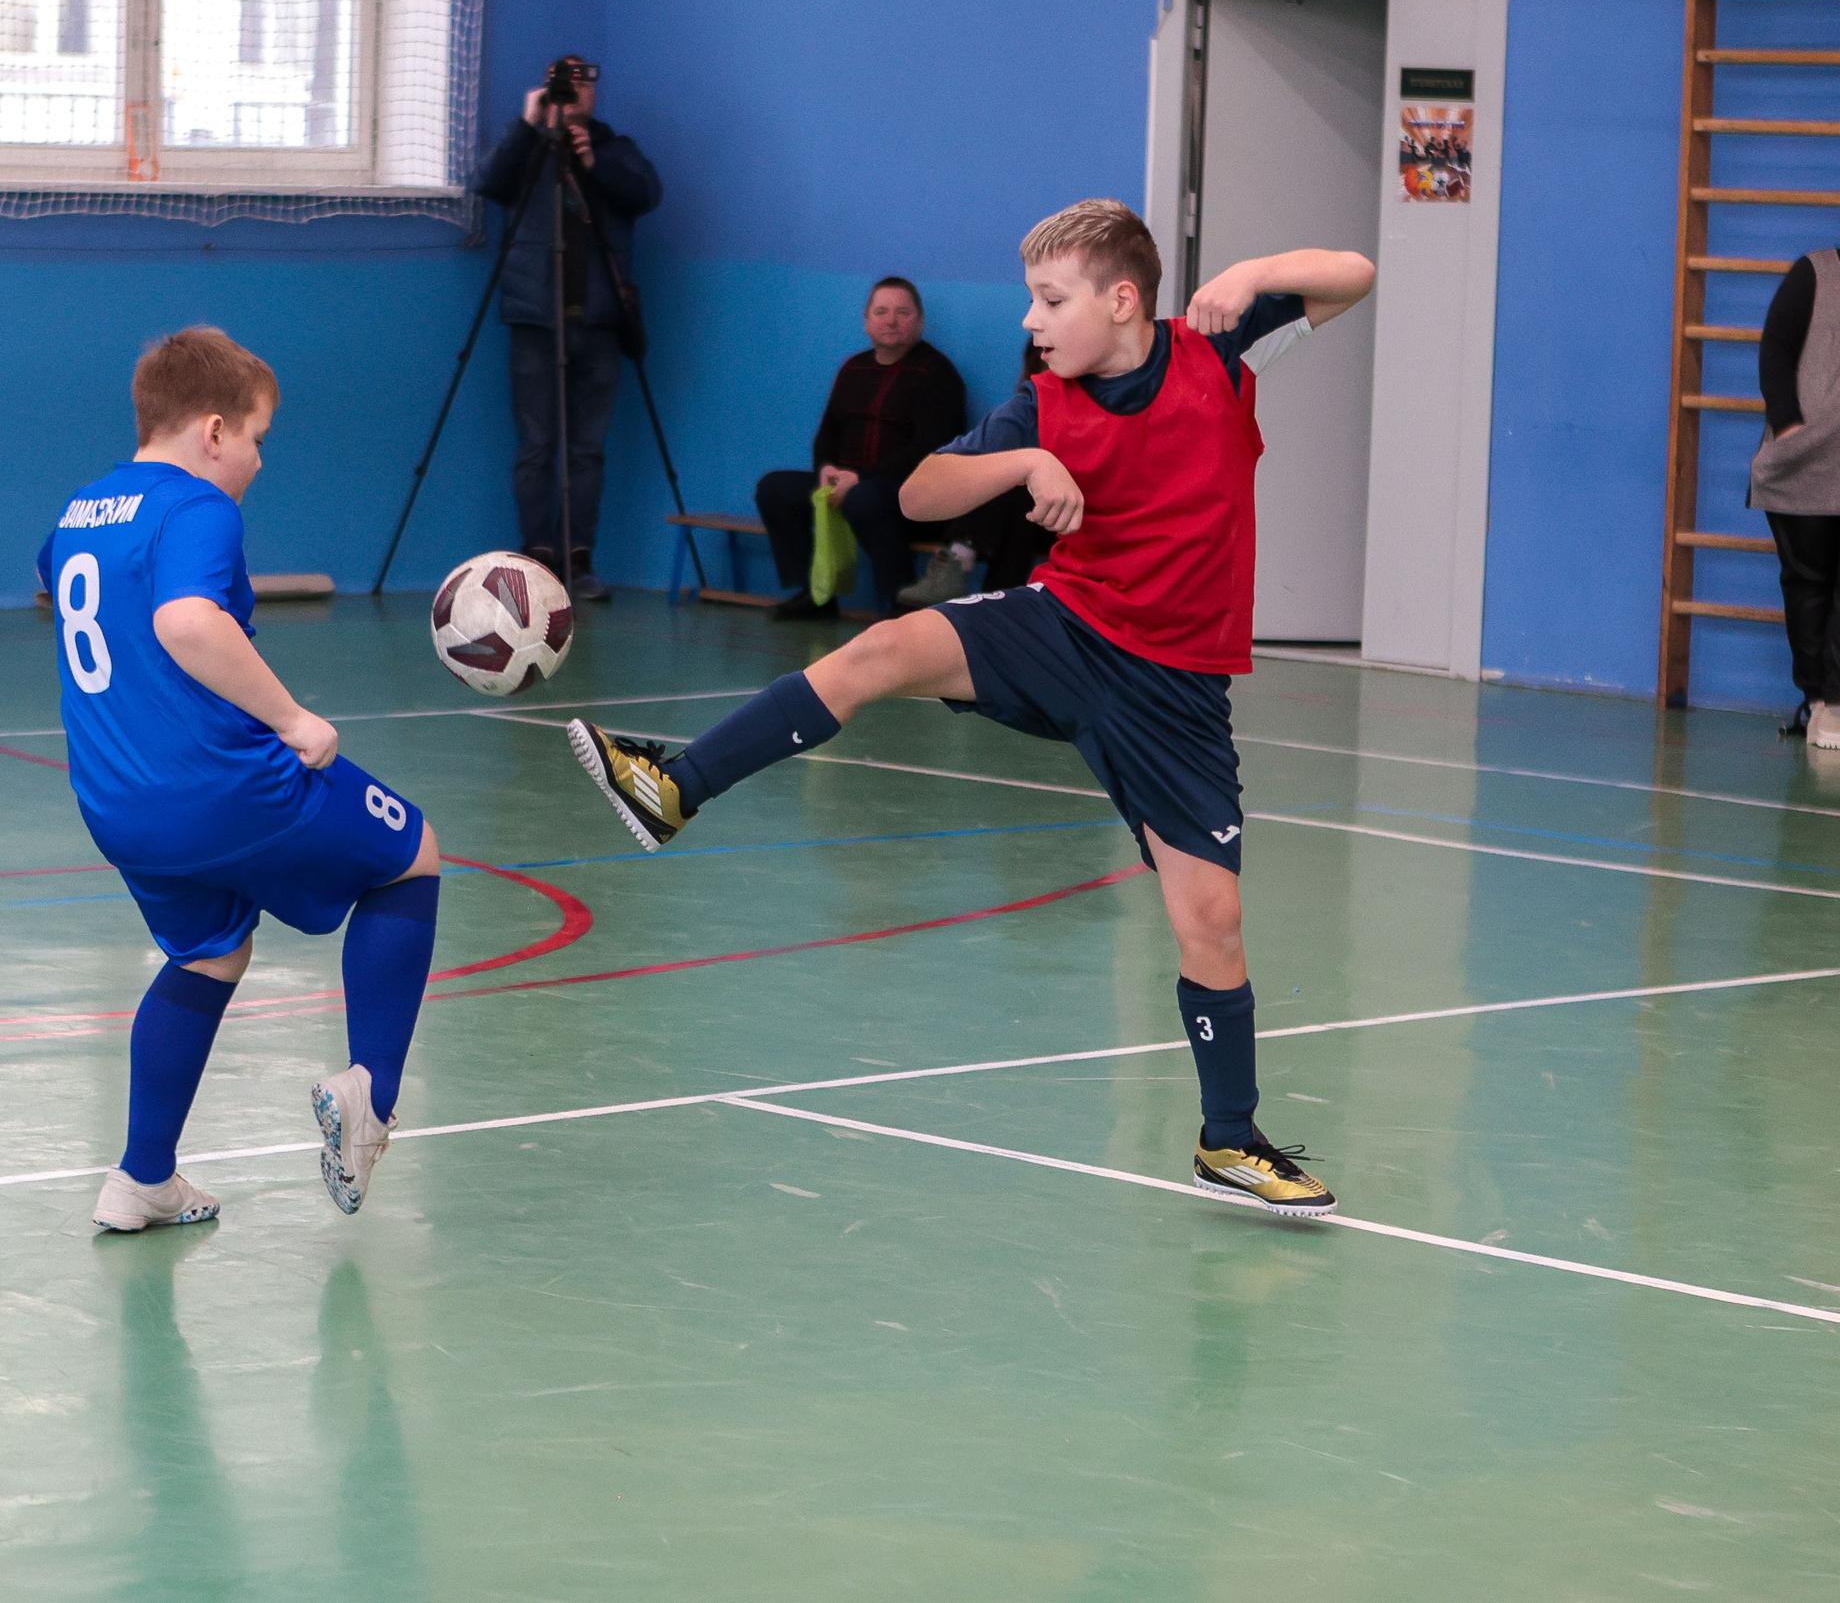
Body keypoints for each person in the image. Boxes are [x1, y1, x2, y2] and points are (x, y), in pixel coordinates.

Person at [567, 200, 1375, 1217]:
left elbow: (1352, 268)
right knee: (886, 646)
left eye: (1050, 299)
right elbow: (916, 494)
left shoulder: (1218, 351)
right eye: (1029, 302)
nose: (1032, 321)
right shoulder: (1040, 404)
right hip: (1066, 628)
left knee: (1210, 918)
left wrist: (1253, 269)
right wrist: (1025, 462)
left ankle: (1229, 1139)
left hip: (1174, 686)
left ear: (1122, 298)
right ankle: (671, 785)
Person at [38, 327, 441, 1232]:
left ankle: (142, 1178)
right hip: (221, 786)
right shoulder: (199, 508)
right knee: (410, 852)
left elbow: (68, 585)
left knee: (208, 952)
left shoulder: (79, 512)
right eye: (258, 437)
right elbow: (185, 621)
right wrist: (294, 719)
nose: (259, 460)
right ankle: (372, 1093)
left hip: (117, 804)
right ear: (213, 431)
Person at [471, 57, 663, 603]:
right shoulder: (528, 147)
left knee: (587, 449)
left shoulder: (614, 146)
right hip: (536, 319)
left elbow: (646, 195)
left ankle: (579, 557)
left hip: (600, 321)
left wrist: (593, 161)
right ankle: (538, 554)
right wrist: (528, 124)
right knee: (535, 448)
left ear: (596, 93)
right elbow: (487, 182)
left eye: (584, 82)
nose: (574, 90)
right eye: (564, 82)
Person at [755, 277, 970, 619]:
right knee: (774, 489)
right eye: (881, 311)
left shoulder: (937, 374)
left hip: (909, 496)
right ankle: (815, 596)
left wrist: (861, 479)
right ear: (866, 320)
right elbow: (827, 433)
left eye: (902, 312)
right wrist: (825, 466)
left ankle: (901, 603)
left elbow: (931, 450)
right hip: (847, 485)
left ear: (920, 321)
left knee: (866, 497)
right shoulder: (853, 368)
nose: (891, 320)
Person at [1753, 247, 1840, 750]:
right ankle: (1818, 702)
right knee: (1808, 583)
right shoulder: (1815, 272)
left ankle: (1836, 700)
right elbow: (1776, 348)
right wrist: (1788, 427)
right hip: (1806, 464)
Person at [900, 342, 1057, 609]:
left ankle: (964, 562)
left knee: (1017, 494)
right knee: (1003, 483)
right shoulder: (1024, 410)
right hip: (1026, 516)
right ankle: (996, 601)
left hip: (1072, 513)